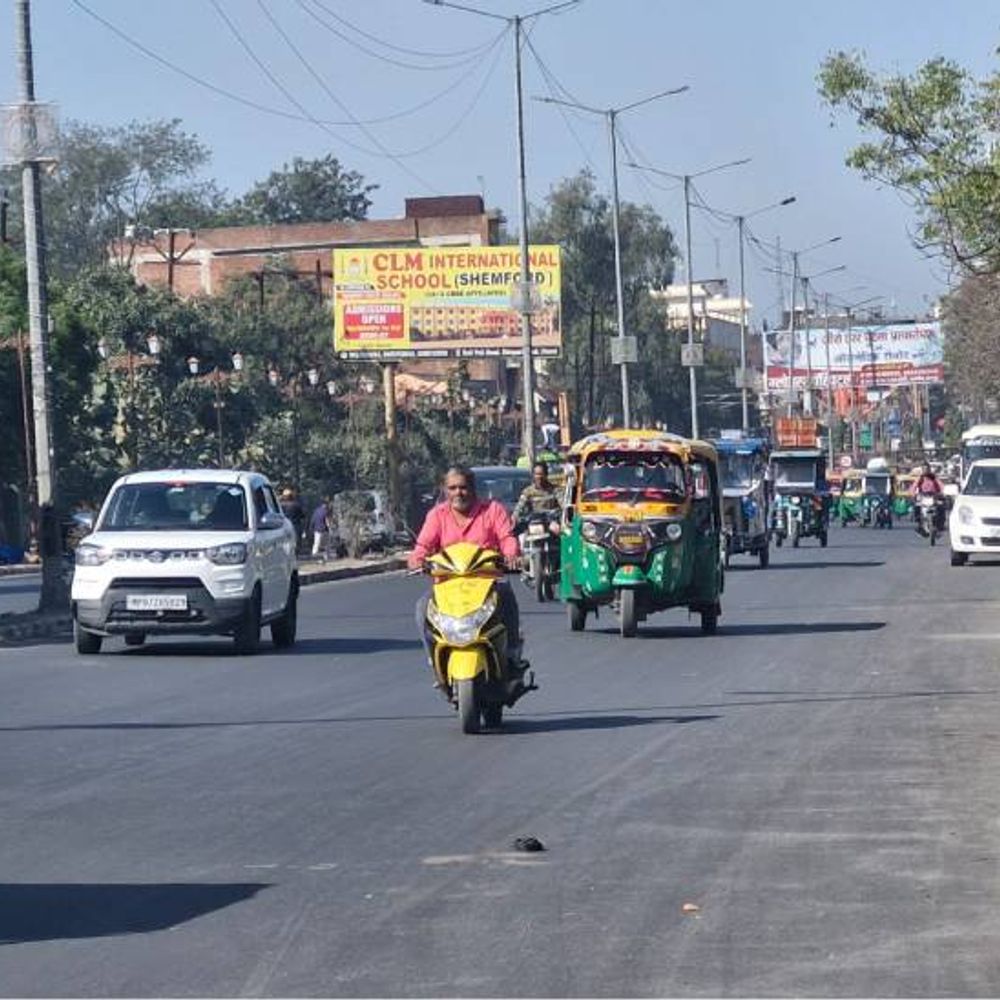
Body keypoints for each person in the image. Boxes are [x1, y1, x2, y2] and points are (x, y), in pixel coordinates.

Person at [408, 465, 523, 679]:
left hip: (486, 584)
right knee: (421, 607)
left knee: (507, 596)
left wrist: (511, 555)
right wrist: (417, 560)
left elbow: (506, 538)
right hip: (447, 587)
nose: (458, 493)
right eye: (452, 488)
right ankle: (435, 658)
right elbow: (422, 546)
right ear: (445, 490)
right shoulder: (437, 515)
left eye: (463, 487)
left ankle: (512, 654)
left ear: (472, 488)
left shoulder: (492, 510)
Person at [512, 461, 561, 527]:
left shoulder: (554, 490)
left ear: (546, 475)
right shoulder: (528, 491)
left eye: (541, 474)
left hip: (551, 521)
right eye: (537, 474)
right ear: (533, 475)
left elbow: (563, 503)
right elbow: (519, 507)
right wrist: (514, 517)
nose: (539, 477)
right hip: (534, 523)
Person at [280, 488, 306, 552]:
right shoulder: (296, 505)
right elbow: (302, 515)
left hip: (283, 526)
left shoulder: (280, 505)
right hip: (295, 525)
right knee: (296, 541)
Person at [310, 496, 334, 561]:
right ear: (326, 504)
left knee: (316, 543)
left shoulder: (316, 510)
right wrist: (330, 529)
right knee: (327, 544)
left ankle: (314, 555)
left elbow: (313, 519)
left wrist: (311, 527)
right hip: (324, 530)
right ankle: (327, 556)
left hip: (317, 529)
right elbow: (327, 521)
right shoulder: (326, 511)